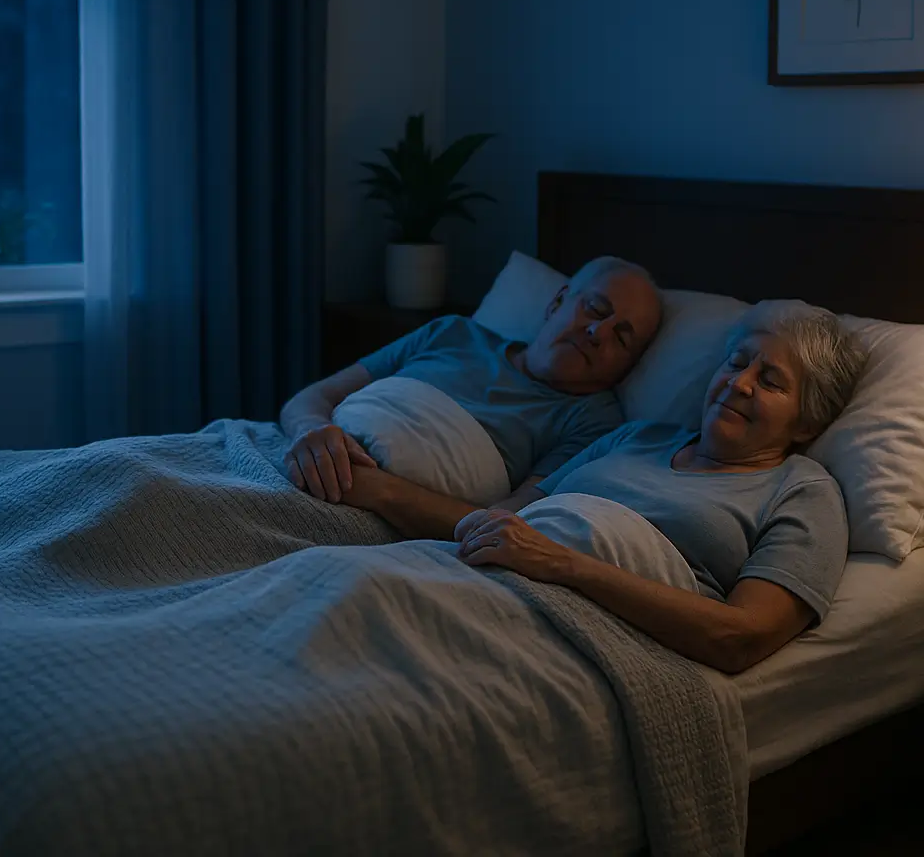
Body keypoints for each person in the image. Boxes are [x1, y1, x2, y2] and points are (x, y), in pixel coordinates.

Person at [450, 300, 867, 675]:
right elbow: (508, 515)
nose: (739, 384)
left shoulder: (806, 493)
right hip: (481, 582)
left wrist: (562, 565)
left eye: (771, 381)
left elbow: (741, 638)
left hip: (572, 631)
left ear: (809, 422)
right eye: (736, 363)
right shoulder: (635, 436)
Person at [280, 256, 663, 516]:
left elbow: (513, 517)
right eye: (596, 309)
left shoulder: (594, 421)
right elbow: (313, 397)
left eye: (622, 338)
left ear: (627, 366)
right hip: (290, 464)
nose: (599, 332)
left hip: (373, 513)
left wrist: (381, 491)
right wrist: (313, 432)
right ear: (558, 301)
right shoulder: (452, 332)